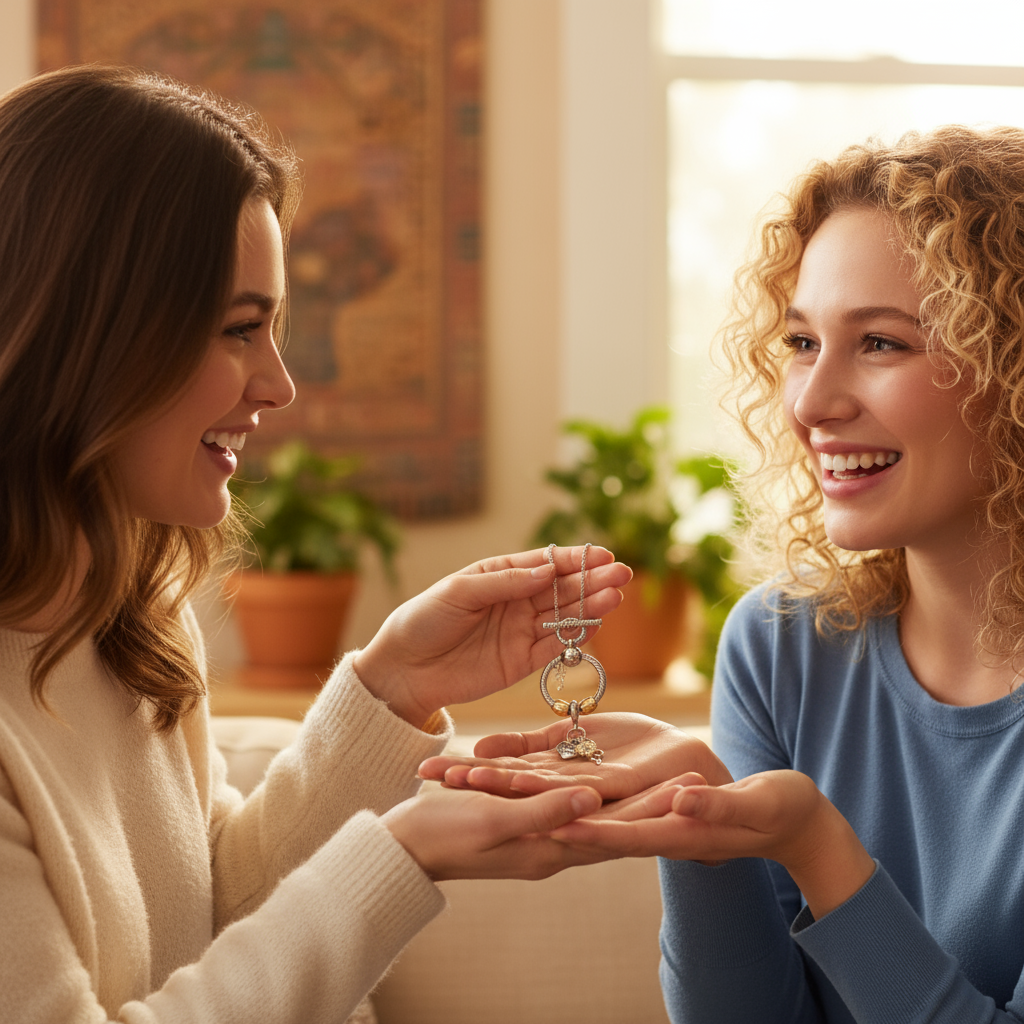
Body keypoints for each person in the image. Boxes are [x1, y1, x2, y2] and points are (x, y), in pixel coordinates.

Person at [0, 64, 634, 1023]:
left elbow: (218, 921)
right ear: (93, 335)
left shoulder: (128, 621)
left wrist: (392, 688)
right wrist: (404, 855)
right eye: (240, 330)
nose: (279, 385)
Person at [423, 125, 1024, 1023]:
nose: (812, 405)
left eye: (883, 344)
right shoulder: (783, 644)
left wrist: (816, 845)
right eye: (801, 343)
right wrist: (707, 836)